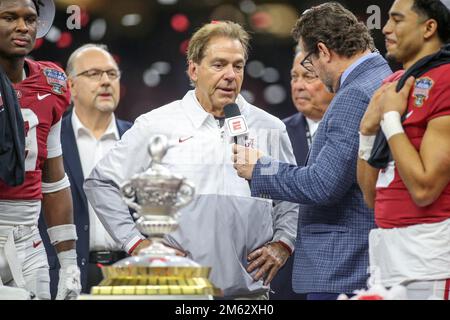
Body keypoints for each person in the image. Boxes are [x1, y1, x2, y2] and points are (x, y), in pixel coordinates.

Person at [84, 21, 299, 299]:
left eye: (238, 65)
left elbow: (290, 197)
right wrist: (136, 243)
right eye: (219, 65)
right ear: (194, 69)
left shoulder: (270, 126)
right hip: (175, 291)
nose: (231, 75)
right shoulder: (156, 124)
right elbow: (101, 183)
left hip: (250, 295)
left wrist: (283, 243)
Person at [232, 2, 392, 300]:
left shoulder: (353, 94)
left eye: (309, 64)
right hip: (364, 259)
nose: (310, 72)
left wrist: (259, 168)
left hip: (343, 268)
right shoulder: (378, 76)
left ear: (324, 51)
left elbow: (322, 185)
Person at [357, 0, 450, 299]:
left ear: (429, 27)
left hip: (430, 252)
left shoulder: (447, 79)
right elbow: (371, 197)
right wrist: (367, 133)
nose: (385, 28)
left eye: (397, 20)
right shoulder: (393, 83)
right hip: (386, 249)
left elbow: (425, 190)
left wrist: (390, 119)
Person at [38, 44, 133, 297]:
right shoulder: (49, 140)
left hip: (130, 274)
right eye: (93, 74)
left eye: (112, 74)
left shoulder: (138, 138)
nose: (105, 81)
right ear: (70, 86)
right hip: (65, 275)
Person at [0, 0, 80, 299]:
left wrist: (69, 264)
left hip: (28, 240)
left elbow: (54, 180)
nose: (22, 27)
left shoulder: (51, 82)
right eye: (9, 17)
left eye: (30, 19)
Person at [271, 48, 334, 300]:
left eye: (308, 77)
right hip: (286, 267)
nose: (298, 85)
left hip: (338, 262)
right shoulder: (276, 132)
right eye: (294, 77)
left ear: (332, 77)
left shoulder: (357, 128)